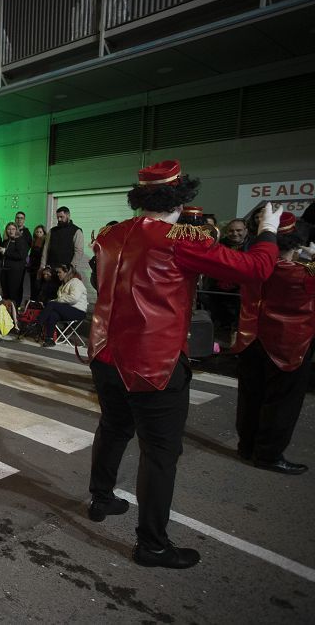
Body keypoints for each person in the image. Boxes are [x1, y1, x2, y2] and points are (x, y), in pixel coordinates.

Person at [87, 159, 281, 569]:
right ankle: (152, 545)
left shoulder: (108, 234)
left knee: (114, 427)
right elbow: (257, 269)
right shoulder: (180, 237)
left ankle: (101, 498)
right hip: (152, 361)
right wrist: (267, 231)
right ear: (179, 197)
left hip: (105, 351)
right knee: (160, 452)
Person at [231, 212, 314, 474]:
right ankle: (268, 454)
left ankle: (246, 446)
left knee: (250, 396)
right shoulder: (304, 274)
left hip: (250, 338)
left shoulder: (251, 266)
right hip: (289, 345)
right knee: (282, 403)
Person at [37, 264, 87, 347]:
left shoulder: (76, 282)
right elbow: (60, 300)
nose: (57, 274)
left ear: (67, 272)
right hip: (67, 310)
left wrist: (56, 301)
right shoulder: (62, 286)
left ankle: (38, 323)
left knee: (52, 304)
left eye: (59, 272)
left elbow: (74, 298)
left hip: (78, 311)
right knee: (53, 314)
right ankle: (50, 339)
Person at [40, 206, 88, 285]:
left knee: (64, 295)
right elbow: (45, 250)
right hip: (51, 271)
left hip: (66, 273)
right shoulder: (52, 231)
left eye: (61, 217)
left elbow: (79, 252)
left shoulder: (76, 231)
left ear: (68, 215)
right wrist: (42, 267)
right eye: (58, 217)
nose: (59, 219)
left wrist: (71, 269)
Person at [0, 222, 30, 304]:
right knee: (5, 294)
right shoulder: (6, 241)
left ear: (16, 230)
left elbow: (21, 255)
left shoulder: (20, 240)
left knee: (14, 294)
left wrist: (5, 251)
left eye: (13, 229)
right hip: (5, 270)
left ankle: (15, 312)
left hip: (15, 271)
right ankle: (6, 314)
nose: (11, 231)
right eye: (8, 229)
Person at [28, 225, 47, 301]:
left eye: (40, 232)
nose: (38, 233)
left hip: (40, 268)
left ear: (44, 233)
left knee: (38, 287)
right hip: (32, 268)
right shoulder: (34, 242)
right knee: (33, 287)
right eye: (37, 232)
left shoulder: (45, 243)